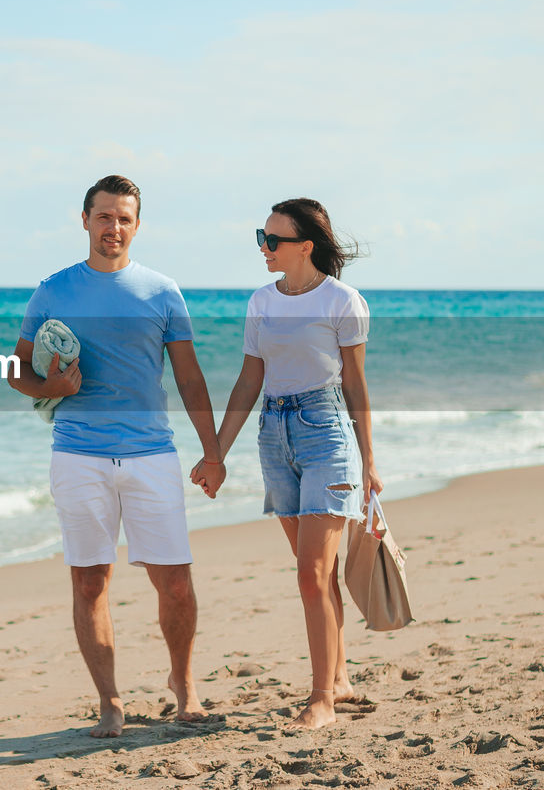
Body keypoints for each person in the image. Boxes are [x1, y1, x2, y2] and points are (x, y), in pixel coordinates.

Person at [7, 174, 224, 738]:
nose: (114, 227)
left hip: (152, 454)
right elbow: (17, 372)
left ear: (137, 224)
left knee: (174, 581)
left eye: (124, 218)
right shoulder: (53, 290)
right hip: (78, 456)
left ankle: (184, 686)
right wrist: (50, 389)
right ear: (85, 220)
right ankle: (110, 701)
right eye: (104, 216)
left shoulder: (162, 291)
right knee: (89, 583)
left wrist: (213, 450)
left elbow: (189, 378)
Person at [191, 197, 381, 730]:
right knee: (319, 575)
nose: (264, 248)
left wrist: (369, 461)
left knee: (311, 574)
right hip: (274, 436)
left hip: (326, 434)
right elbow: (249, 380)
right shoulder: (261, 302)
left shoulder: (343, 301)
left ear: (305, 246)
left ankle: (321, 698)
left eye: (273, 240)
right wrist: (216, 455)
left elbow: (355, 384)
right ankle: (339, 677)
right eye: (261, 236)